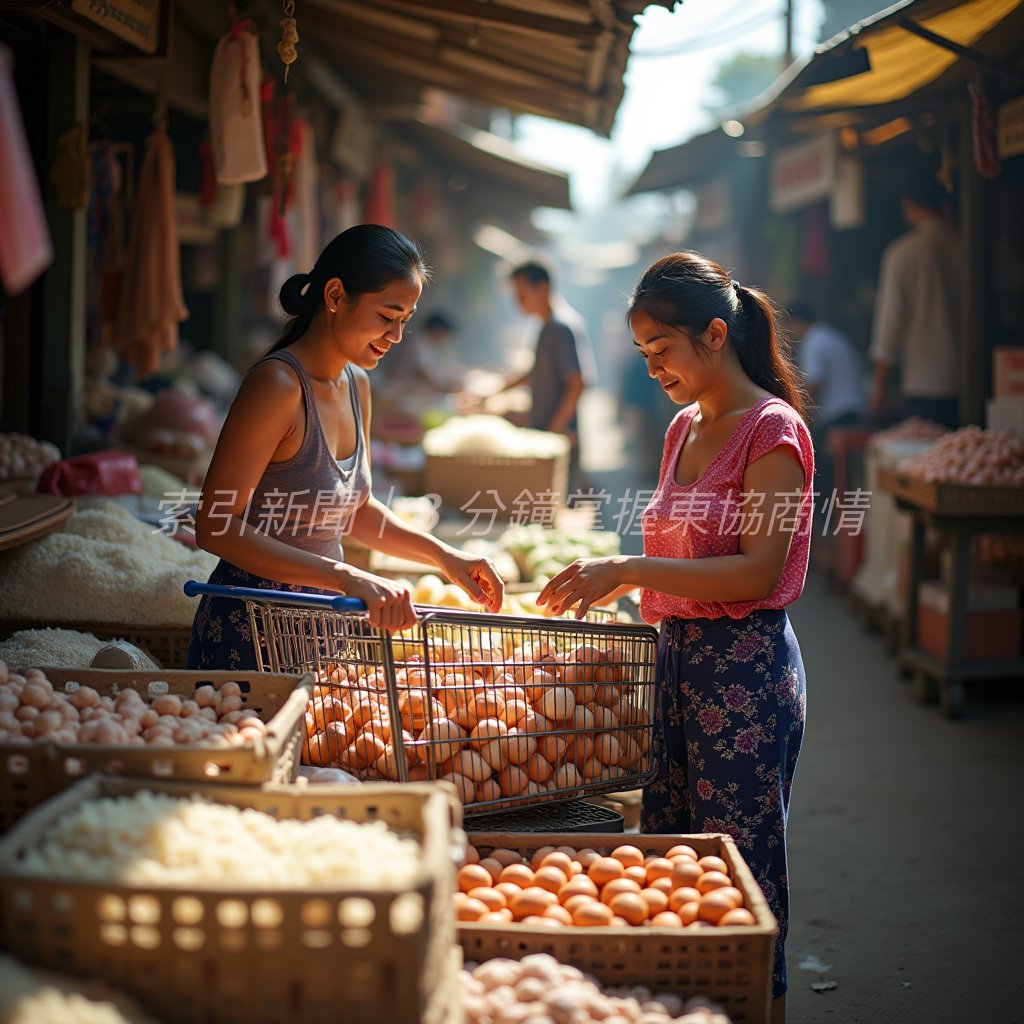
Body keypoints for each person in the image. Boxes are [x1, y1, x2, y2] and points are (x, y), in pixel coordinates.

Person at [536, 251, 813, 1023]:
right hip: (678, 664)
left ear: (716, 335)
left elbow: (757, 572)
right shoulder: (683, 426)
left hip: (745, 676)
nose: (652, 368)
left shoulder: (772, 431)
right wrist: (633, 592)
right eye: (643, 354)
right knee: (670, 864)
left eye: (662, 350)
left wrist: (627, 567)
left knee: (742, 880)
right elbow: (677, 557)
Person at [187, 224, 504, 668]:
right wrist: (344, 575)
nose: (395, 336)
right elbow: (214, 525)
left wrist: (444, 556)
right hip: (249, 639)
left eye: (404, 322)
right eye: (386, 316)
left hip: (322, 634)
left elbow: (353, 511)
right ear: (335, 297)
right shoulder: (278, 386)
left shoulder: (358, 384)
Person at [868, 174, 962, 428]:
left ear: (907, 204)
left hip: (923, 382)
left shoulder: (902, 253)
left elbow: (889, 325)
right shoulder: (964, 247)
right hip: (969, 382)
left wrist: (880, 387)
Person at [504, 260, 596, 494]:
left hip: (558, 437)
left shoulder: (560, 327)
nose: (518, 301)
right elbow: (535, 373)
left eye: (522, 293)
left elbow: (577, 383)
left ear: (542, 287)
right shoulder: (548, 325)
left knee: (559, 500)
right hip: (549, 433)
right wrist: (497, 390)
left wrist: (556, 428)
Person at [788, 299, 866, 509]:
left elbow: (815, 383)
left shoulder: (814, 342)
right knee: (842, 476)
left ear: (796, 322)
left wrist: (800, 416)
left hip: (837, 415)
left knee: (821, 472)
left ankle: (823, 524)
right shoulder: (829, 336)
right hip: (853, 410)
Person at [409, 310, 461, 393]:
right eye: (444, 335)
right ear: (437, 331)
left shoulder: (430, 345)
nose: (444, 339)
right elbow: (422, 372)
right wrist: (444, 388)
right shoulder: (417, 343)